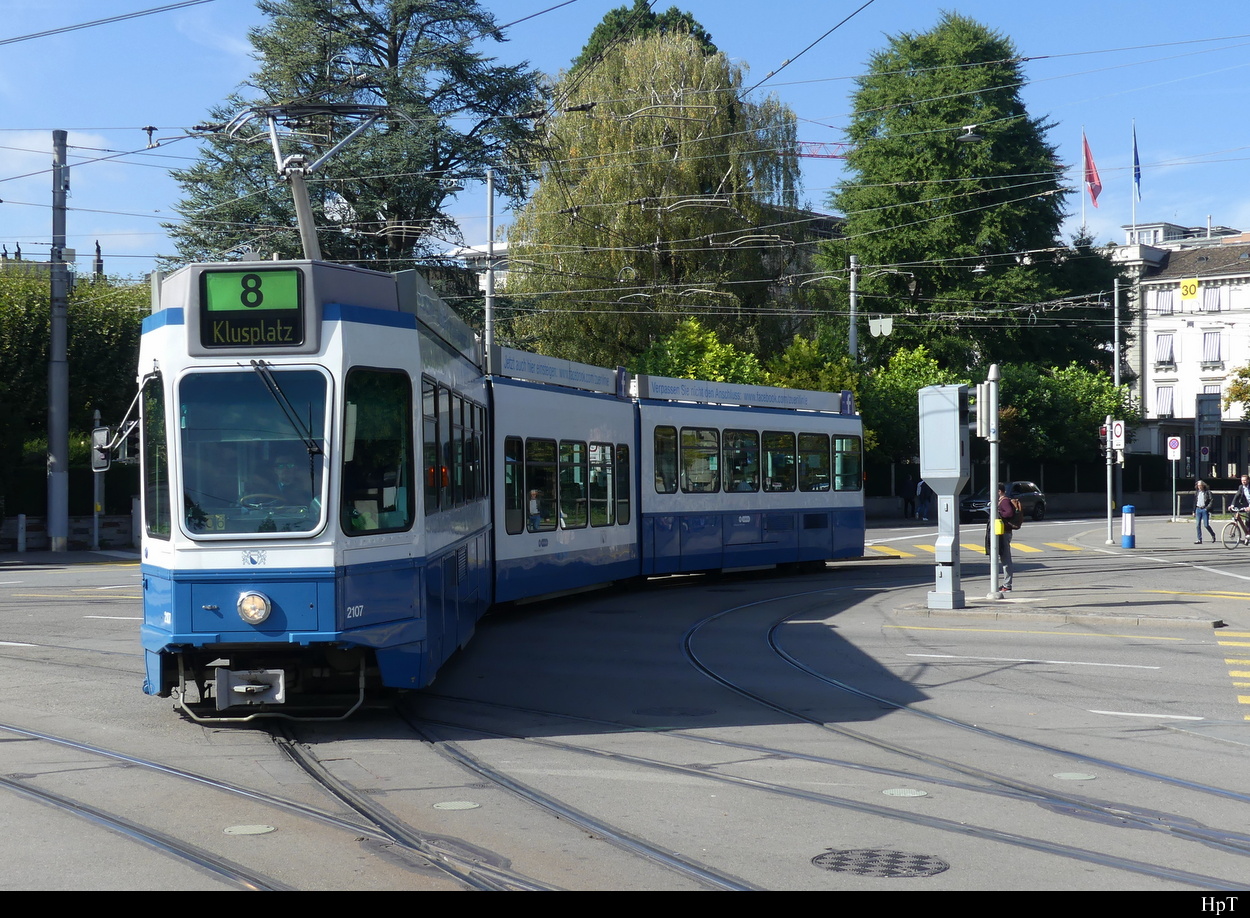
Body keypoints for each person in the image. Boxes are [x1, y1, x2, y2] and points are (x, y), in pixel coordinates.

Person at [987, 481, 1014, 592]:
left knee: (1005, 558)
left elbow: (1009, 513)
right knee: (1002, 557)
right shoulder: (1000, 501)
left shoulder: (1004, 501)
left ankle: (1007, 585)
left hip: (1004, 533)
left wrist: (997, 512)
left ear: (999, 491)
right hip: (1001, 532)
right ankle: (1005, 584)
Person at [1194, 480, 1216, 544]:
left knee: (1206, 525)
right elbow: (1194, 502)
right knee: (1197, 525)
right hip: (1198, 509)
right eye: (1198, 486)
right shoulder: (1197, 492)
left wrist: (1207, 508)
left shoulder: (1207, 492)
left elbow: (1211, 500)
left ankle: (1213, 534)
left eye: (1200, 485)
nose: (1199, 487)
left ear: (1203, 485)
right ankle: (1199, 539)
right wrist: (1194, 511)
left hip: (1204, 509)